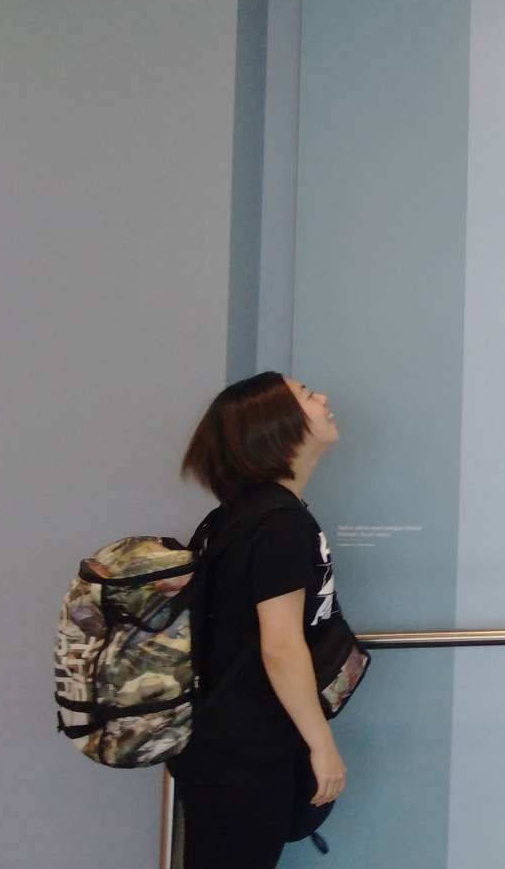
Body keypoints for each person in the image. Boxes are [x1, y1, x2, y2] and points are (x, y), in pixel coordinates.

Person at [169, 371, 350, 869]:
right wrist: (322, 746)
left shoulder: (235, 515)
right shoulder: (278, 521)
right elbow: (280, 645)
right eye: (306, 394)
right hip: (246, 748)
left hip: (220, 741)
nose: (322, 397)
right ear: (276, 424)